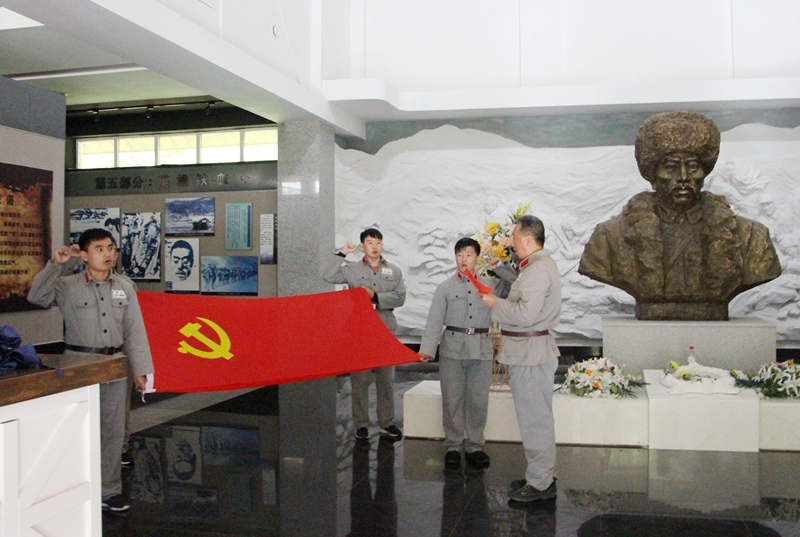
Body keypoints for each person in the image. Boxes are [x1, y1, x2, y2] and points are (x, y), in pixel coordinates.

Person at [578, 111, 781, 320]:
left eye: (692, 167)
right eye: (671, 167)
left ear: (704, 173)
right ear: (653, 174)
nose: (683, 177)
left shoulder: (751, 237)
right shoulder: (609, 237)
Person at [28, 228, 154, 513]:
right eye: (99, 249)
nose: (108, 254)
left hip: (115, 364)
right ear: (84, 255)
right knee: (76, 428)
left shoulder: (125, 287)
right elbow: (37, 297)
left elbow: (135, 331)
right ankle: (71, 487)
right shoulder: (68, 285)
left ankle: (109, 490)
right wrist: (55, 265)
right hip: (78, 365)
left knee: (112, 431)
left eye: (111, 248)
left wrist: (141, 370)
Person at [480, 215, 561, 503]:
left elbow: (525, 314)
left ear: (528, 238)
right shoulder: (535, 267)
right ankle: (542, 476)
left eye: (515, 238)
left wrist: (494, 303)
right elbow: (522, 289)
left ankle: (540, 484)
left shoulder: (538, 270)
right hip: (529, 351)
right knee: (536, 417)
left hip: (530, 354)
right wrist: (500, 270)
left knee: (535, 420)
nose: (512, 244)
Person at [419, 237, 515, 470]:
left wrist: (500, 267)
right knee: (452, 398)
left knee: (478, 400)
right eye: (460, 254)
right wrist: (427, 350)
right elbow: (434, 321)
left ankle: (474, 446)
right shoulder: (445, 287)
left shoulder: (491, 284)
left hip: (481, 349)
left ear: (477, 257)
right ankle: (453, 445)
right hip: (452, 349)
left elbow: (515, 283)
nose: (464, 259)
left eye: (469, 254)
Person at [323, 228, 406, 441]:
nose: (374, 246)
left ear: (382, 245)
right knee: (360, 380)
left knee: (386, 379)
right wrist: (342, 253)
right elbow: (328, 275)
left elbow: (400, 297)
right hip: (359, 330)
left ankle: (386, 423)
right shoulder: (351, 269)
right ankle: (361, 424)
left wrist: (375, 296)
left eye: (378, 242)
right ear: (362, 245)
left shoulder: (393, 270)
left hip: (385, 328)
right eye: (370, 242)